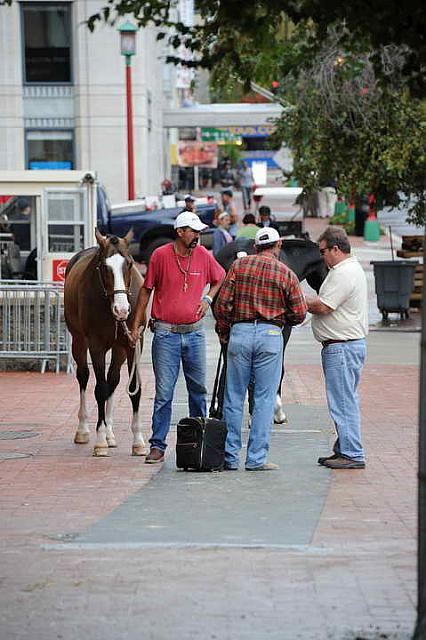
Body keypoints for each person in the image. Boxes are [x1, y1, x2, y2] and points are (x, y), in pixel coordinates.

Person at [129, 211, 225, 464]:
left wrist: (208, 298)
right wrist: (137, 324)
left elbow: (220, 277)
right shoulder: (160, 255)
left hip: (194, 333)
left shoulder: (203, 255)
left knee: (198, 390)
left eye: (199, 232)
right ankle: (158, 445)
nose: (197, 236)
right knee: (164, 393)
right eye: (193, 232)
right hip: (166, 334)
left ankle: (198, 441)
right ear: (180, 232)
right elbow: (145, 291)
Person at [214, 227, 307, 471]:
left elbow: (222, 304)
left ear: (255, 247)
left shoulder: (238, 267)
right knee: (264, 398)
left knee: (233, 396)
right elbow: (299, 313)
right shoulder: (286, 273)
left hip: (240, 333)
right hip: (271, 334)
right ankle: (256, 459)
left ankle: (230, 457)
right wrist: (281, 318)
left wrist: (224, 331)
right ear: (278, 246)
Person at [306, 226, 368, 469]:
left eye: (323, 251)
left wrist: (298, 299)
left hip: (342, 347)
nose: (321, 256)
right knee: (344, 399)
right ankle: (344, 447)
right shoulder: (343, 269)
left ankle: (352, 452)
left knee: (343, 401)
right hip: (342, 346)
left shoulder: (344, 273)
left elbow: (324, 306)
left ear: (335, 248)